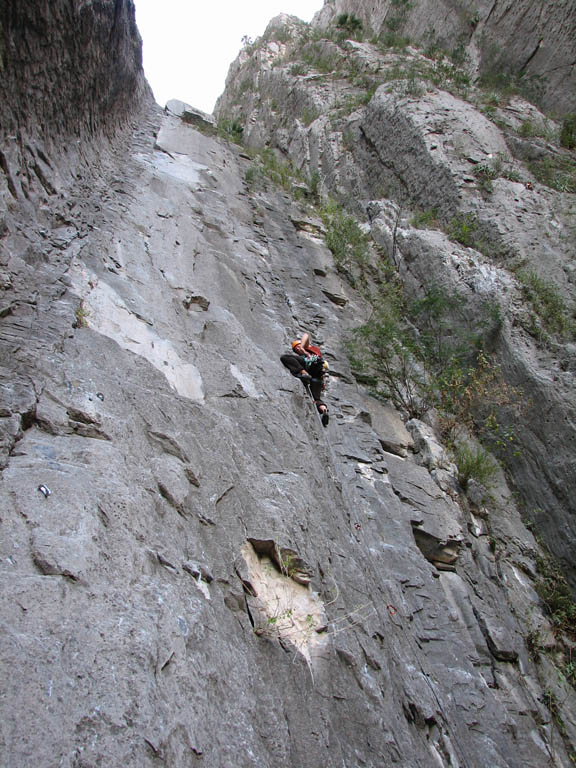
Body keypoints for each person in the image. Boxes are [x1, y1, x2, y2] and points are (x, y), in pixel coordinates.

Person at [280, 332, 329, 426]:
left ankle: (303, 373)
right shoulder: (303, 354)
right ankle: (324, 411)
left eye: (297, 347)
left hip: (312, 365)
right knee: (316, 399)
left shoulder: (310, 349)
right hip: (317, 377)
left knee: (285, 357)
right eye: (295, 350)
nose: (297, 350)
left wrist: (302, 347)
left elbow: (306, 335)